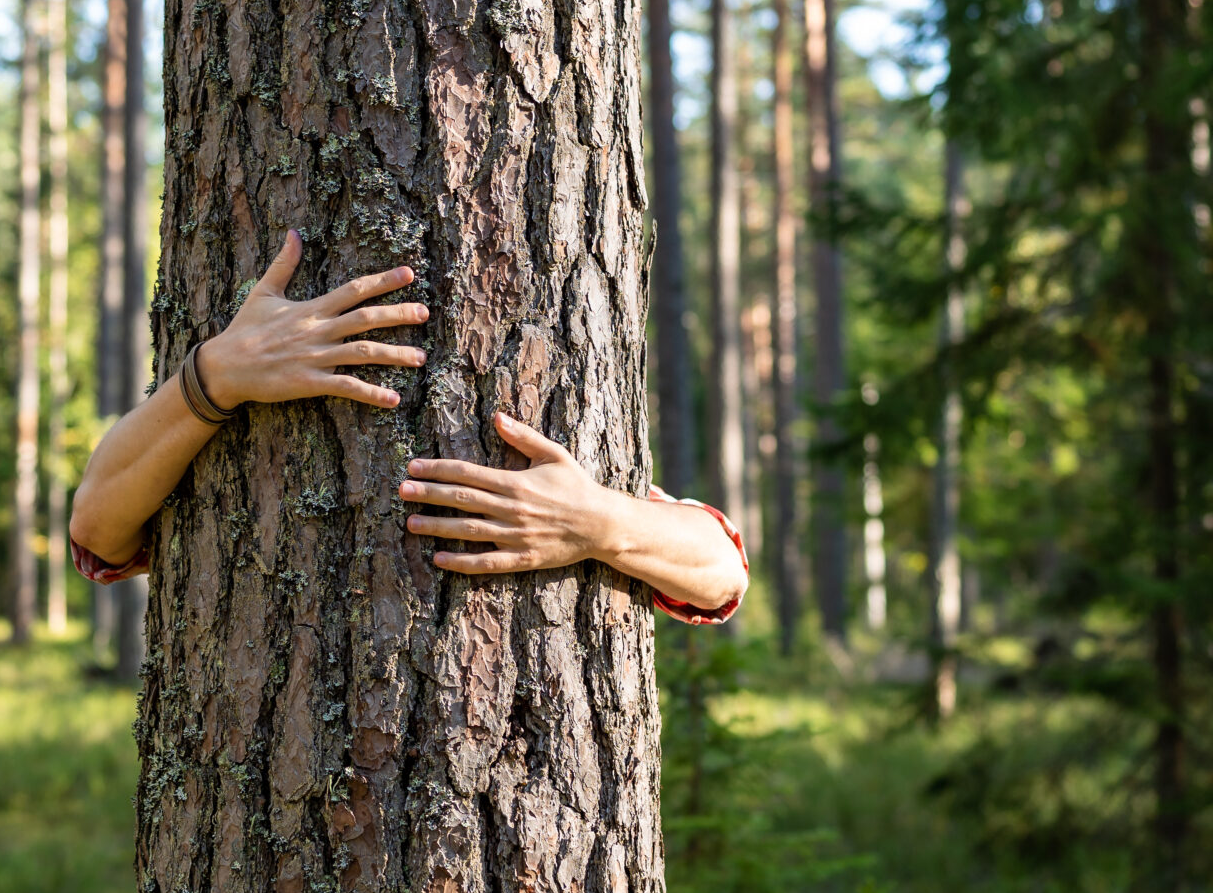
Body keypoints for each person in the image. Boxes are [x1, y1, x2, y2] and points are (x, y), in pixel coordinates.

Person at [66, 231, 748, 623]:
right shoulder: (204, 446)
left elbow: (722, 570)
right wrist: (214, 375)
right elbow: (99, 531)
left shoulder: (571, 484)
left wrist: (600, 522)